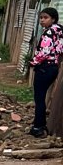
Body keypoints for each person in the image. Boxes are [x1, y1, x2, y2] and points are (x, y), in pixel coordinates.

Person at [30, 7, 62, 138]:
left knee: (39, 98)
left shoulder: (48, 33)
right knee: (42, 96)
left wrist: (33, 62)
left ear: (53, 19)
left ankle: (38, 127)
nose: (42, 20)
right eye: (41, 17)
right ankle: (40, 123)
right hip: (54, 67)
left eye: (45, 17)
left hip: (44, 67)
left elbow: (44, 51)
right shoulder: (59, 31)